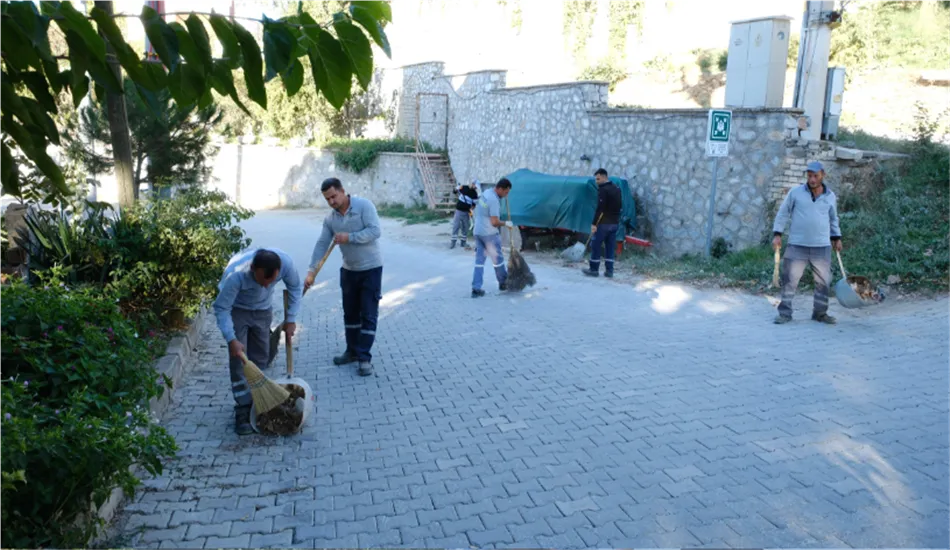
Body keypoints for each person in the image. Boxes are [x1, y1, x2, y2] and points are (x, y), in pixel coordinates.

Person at [213, 248, 302, 435]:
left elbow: (295, 287)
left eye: (270, 283)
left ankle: (259, 401)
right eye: (262, 282)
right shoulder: (235, 276)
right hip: (238, 309)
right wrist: (231, 339)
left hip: (262, 312)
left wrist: (291, 318)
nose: (265, 287)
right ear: (253, 269)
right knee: (239, 360)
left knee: (262, 357)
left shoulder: (285, 263)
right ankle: (243, 409)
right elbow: (221, 308)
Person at [305, 178, 383, 376]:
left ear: (343, 191)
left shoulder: (364, 206)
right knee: (350, 314)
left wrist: (350, 237)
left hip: (371, 269)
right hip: (349, 271)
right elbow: (322, 243)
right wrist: (311, 271)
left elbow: (375, 231)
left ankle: (364, 357)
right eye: (327, 199)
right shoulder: (331, 219)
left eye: (333, 196)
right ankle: (352, 351)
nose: (331, 201)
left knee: (368, 314)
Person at [772, 161, 843, 325]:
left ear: (823, 175)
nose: (812, 179)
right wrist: (777, 234)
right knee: (790, 280)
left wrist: (836, 238)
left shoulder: (830, 196)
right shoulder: (795, 193)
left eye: (815, 176)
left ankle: (820, 313)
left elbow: (833, 219)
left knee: (823, 282)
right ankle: (785, 313)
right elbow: (783, 214)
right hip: (797, 245)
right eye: (809, 176)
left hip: (822, 246)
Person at [471, 178, 513, 298]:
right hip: (489, 233)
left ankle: (476, 288)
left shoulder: (486, 193)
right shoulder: (494, 200)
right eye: (506, 192)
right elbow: (494, 222)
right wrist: (505, 223)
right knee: (498, 261)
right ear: (500, 189)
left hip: (478, 231)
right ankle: (504, 283)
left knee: (479, 261)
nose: (506, 195)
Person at [583, 168, 623, 278]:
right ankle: (609, 271)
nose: (596, 181)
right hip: (614, 223)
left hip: (603, 223)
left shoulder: (603, 189)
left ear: (604, 176)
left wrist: (594, 224)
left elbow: (600, 208)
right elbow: (620, 206)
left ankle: (594, 269)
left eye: (598, 178)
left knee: (596, 245)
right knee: (610, 247)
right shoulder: (617, 188)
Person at [451, 179, 479, 249]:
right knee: (456, 226)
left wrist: (471, 209)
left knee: (465, 227)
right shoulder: (463, 187)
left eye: (476, 187)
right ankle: (453, 243)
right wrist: (456, 188)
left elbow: (474, 204)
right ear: (472, 184)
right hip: (458, 211)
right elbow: (454, 191)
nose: (476, 188)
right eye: (475, 186)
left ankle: (463, 243)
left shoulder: (475, 194)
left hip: (467, 212)